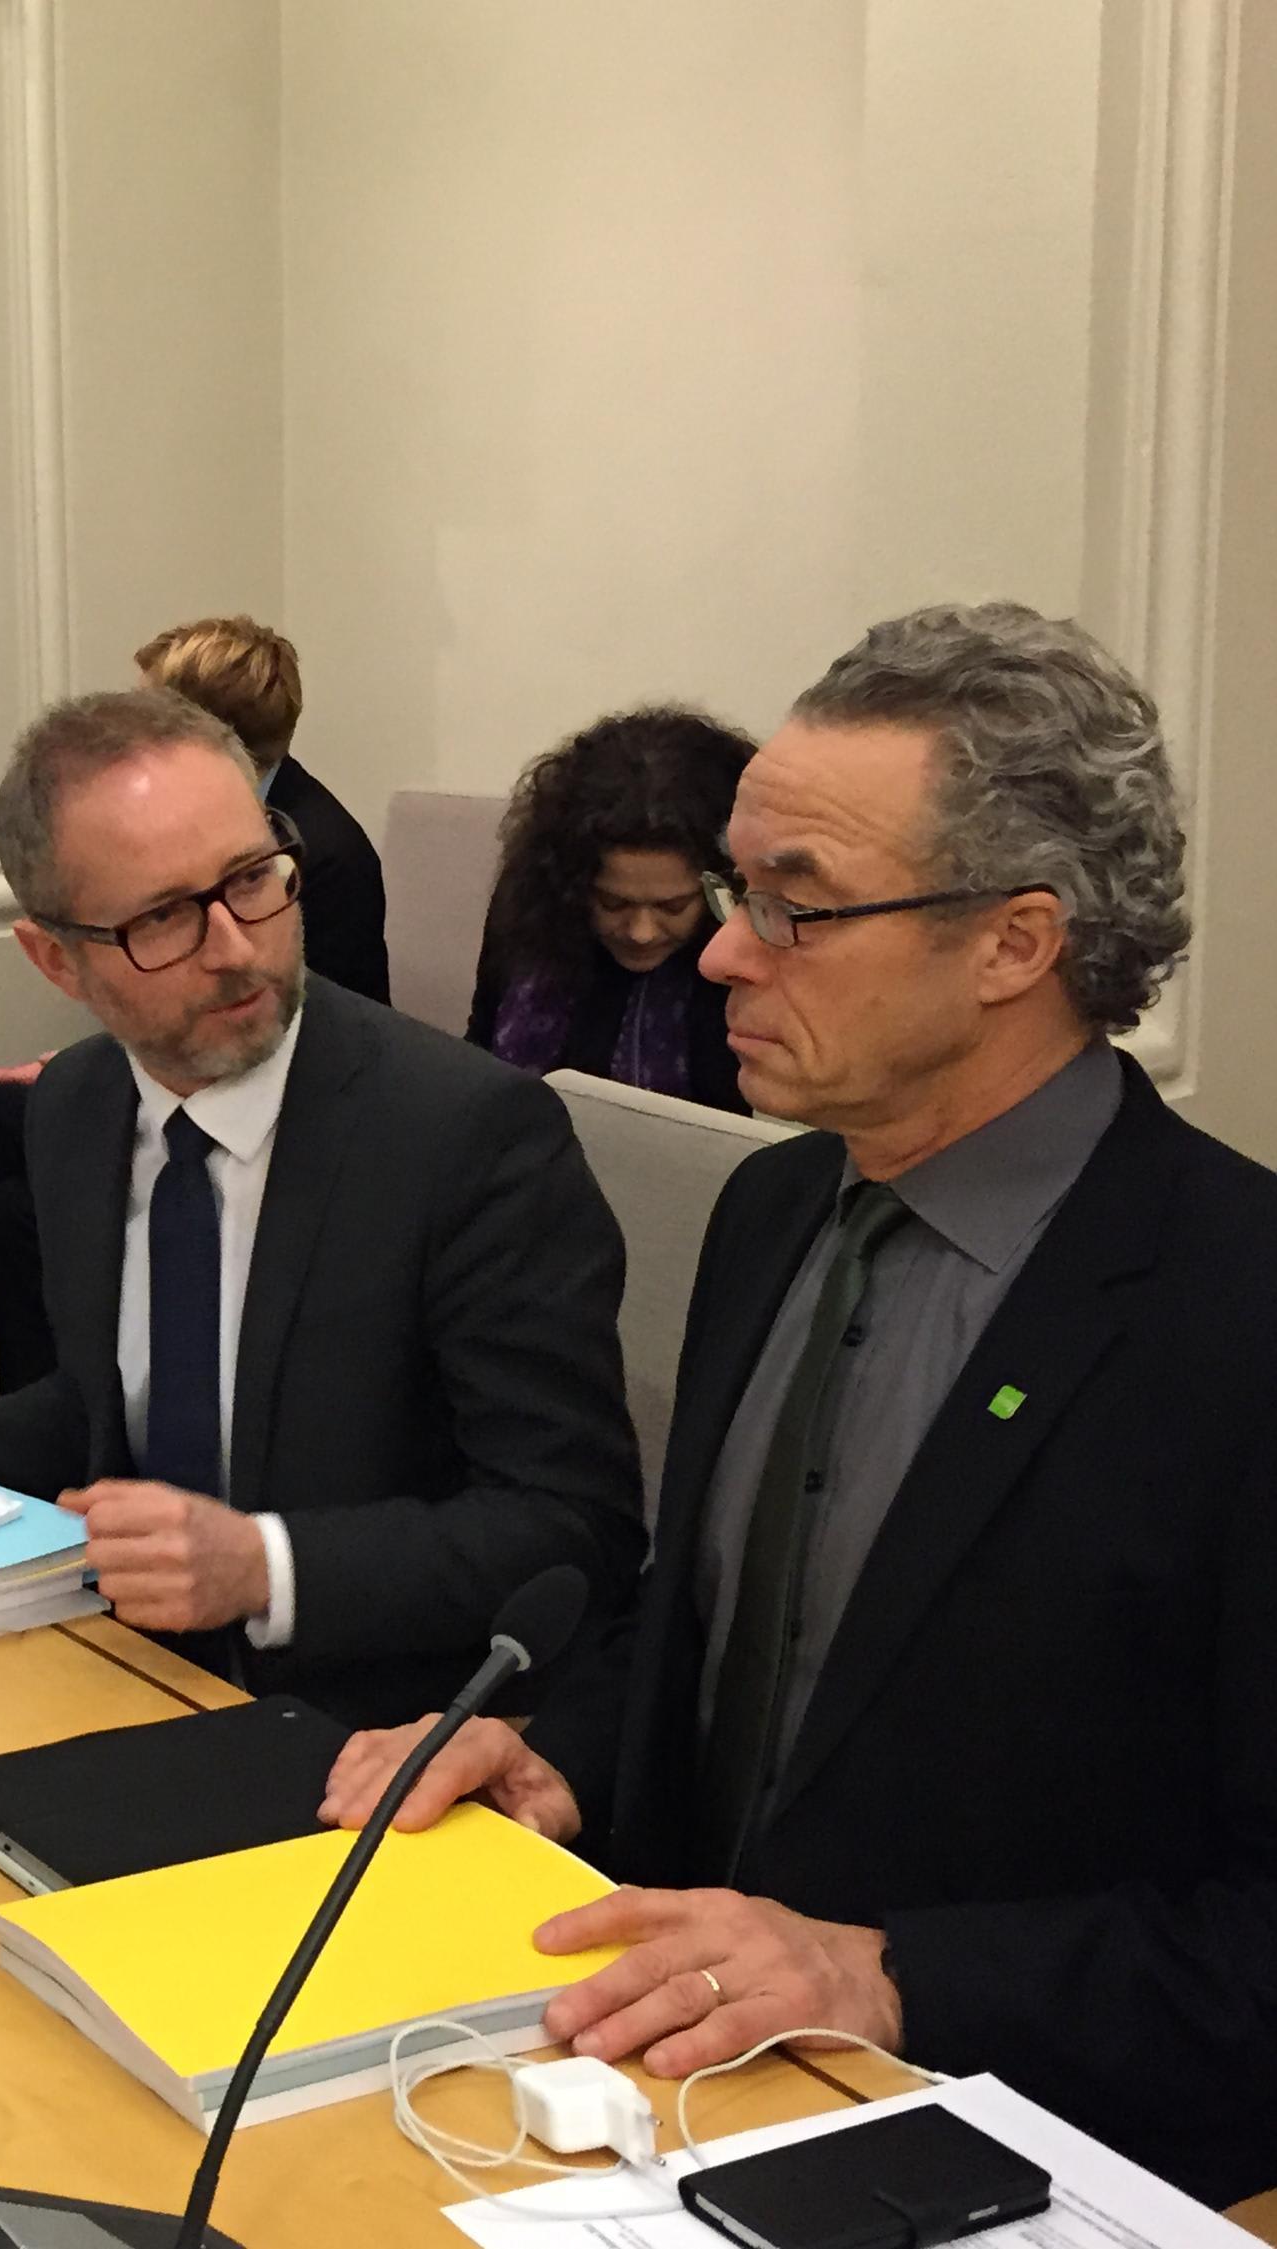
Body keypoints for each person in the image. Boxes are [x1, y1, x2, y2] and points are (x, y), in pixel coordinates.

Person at [318, 604, 1276, 2206]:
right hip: (659, 2094)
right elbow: (719, 1642)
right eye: (730, 891)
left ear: (1011, 945)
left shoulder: (1231, 1313)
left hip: (1019, 2152)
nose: (716, 952)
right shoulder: (771, 1212)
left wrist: (881, 1973)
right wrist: (561, 1760)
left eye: (792, 906)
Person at [0, 688, 644, 1729]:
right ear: (54, 959)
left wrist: (263, 1565)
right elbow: (111, 1399)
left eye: (252, 878)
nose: (235, 947)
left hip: (361, 1724)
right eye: (164, 917)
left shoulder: (466, 1137)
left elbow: (570, 1527)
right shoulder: (77, 1107)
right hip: (118, 1669)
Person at [0, 615, 391, 1435]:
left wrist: (105, 1071)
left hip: (280, 1106)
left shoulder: (323, 848)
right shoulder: (263, 821)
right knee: (4, 1191)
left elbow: (273, 1023)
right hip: (191, 1065)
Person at [466, 707, 754, 1112]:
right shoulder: (532, 906)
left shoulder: (753, 966)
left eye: (673, 906)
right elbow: (479, 1055)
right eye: (613, 902)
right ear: (571, 885)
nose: (641, 932)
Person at [139, 614, 388, 1003]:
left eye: (149, 719)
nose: (136, 735)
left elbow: (304, 1019)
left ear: (203, 732)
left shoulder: (325, 857)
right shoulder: (199, 817)